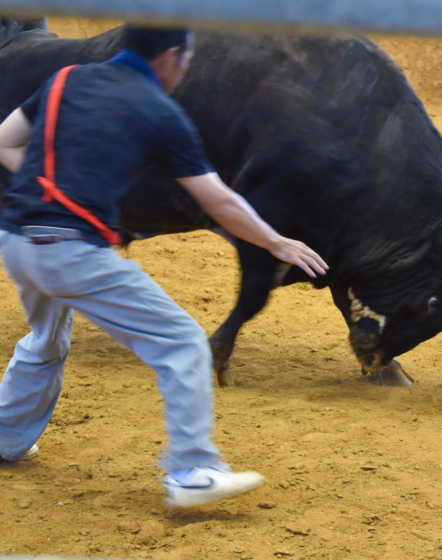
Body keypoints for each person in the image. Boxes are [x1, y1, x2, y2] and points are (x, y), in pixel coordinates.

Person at [0, 27, 329, 508]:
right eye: (187, 57)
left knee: (47, 337)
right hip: (68, 252)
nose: (187, 67)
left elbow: (4, 142)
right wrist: (275, 241)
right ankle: (193, 470)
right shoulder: (160, 112)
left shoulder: (67, 77)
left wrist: (48, 183)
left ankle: (6, 434)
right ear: (171, 56)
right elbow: (219, 201)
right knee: (181, 341)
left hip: (17, 240)